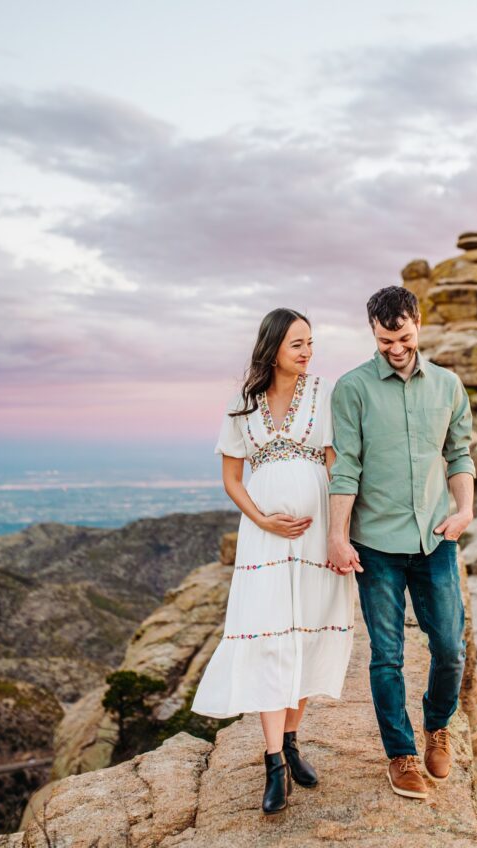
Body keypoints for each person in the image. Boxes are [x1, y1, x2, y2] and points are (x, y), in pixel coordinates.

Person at [190, 307, 355, 815]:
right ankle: (272, 764)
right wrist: (263, 521)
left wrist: (337, 532)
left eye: (311, 343)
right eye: (298, 344)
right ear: (274, 348)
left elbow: (334, 462)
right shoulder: (244, 402)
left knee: (304, 634)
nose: (308, 352)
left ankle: (291, 741)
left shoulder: (323, 393)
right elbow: (232, 479)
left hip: (313, 541)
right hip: (263, 542)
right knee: (268, 639)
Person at [326, 286, 476, 800]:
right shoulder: (352, 389)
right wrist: (337, 536)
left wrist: (466, 510)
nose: (396, 347)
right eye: (386, 338)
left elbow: (459, 456)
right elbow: (345, 468)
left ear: (418, 324)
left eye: (404, 337)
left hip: (436, 539)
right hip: (376, 545)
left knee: (450, 648)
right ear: (373, 330)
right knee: (386, 654)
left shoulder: (450, 386)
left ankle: (439, 727)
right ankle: (402, 754)